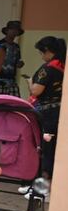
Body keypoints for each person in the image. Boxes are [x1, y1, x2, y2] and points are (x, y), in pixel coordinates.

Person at [27, 36, 65, 179]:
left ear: (47, 51)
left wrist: (30, 82)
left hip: (47, 112)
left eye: (41, 53)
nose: (41, 56)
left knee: (43, 146)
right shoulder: (63, 65)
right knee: (53, 146)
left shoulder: (48, 68)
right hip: (60, 111)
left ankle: (41, 180)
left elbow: (36, 91)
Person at [0, 21, 24, 96]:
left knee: (14, 104)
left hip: (11, 81)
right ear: (7, 31)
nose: (14, 32)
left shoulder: (16, 47)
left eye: (16, 30)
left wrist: (20, 64)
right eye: (12, 29)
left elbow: (17, 61)